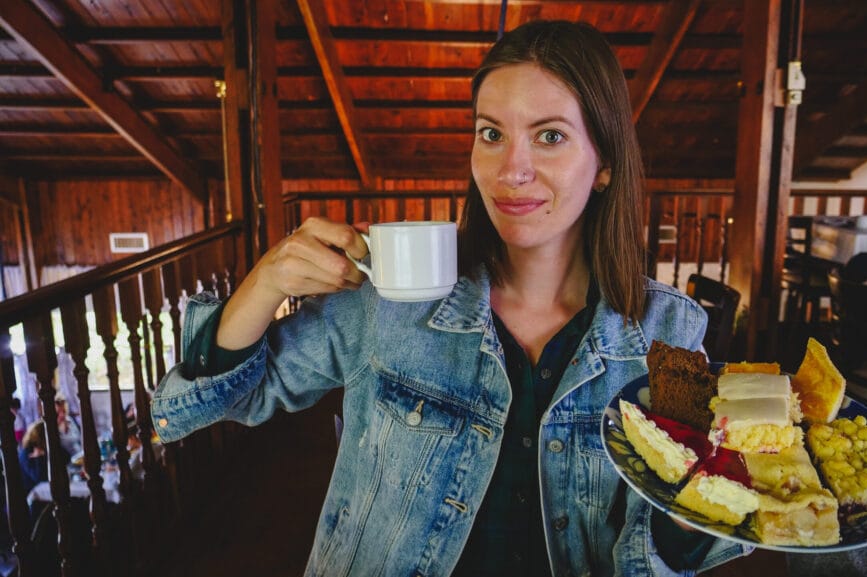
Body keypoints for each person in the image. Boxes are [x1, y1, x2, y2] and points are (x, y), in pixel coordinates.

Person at [152, 20, 746, 576]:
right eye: (491, 133)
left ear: (606, 165)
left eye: (550, 136)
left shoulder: (669, 333)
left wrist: (720, 486)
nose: (512, 169)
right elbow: (197, 408)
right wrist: (267, 281)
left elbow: (662, 548)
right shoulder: (389, 300)